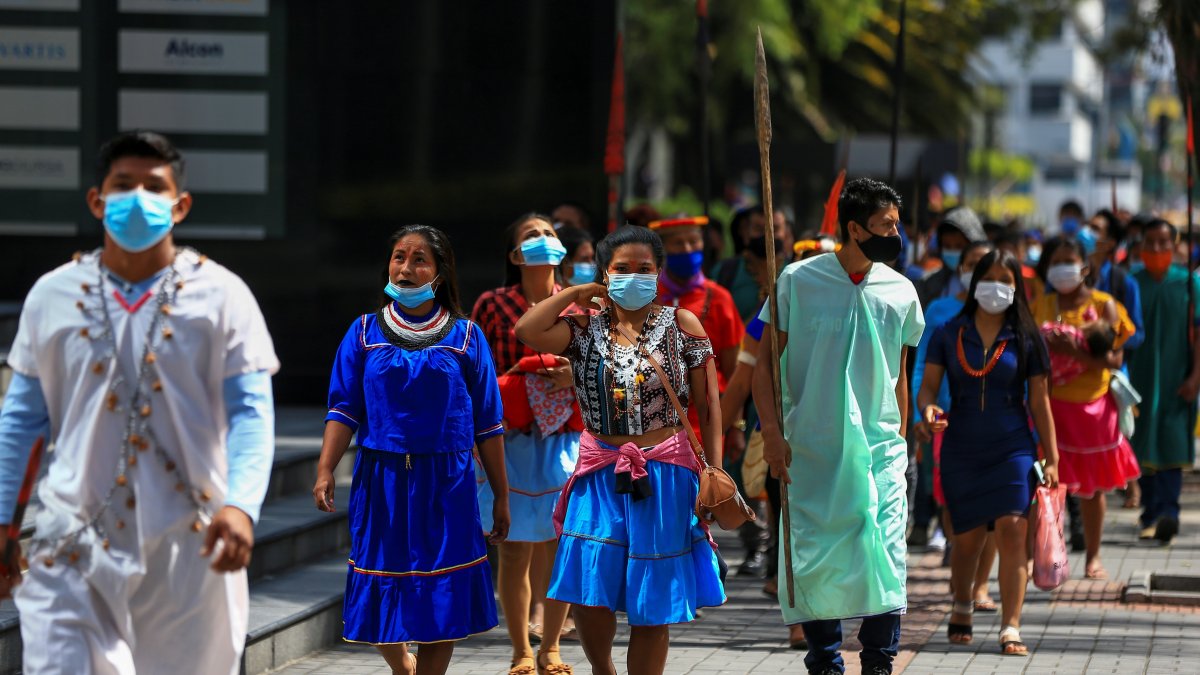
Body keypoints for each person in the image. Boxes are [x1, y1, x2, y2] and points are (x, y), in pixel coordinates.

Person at [0, 131, 279, 674]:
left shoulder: (224, 295)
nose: (137, 199)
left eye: (154, 187)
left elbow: (251, 411)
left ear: (180, 205)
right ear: (96, 200)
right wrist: (5, 522)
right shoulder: (52, 295)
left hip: (191, 545)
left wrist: (241, 505)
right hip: (72, 542)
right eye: (123, 185)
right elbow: (22, 422)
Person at [514, 225, 725, 675]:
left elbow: (709, 406)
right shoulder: (582, 328)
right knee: (589, 590)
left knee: (655, 600)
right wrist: (576, 292)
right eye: (622, 268)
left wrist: (716, 474)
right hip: (599, 473)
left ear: (659, 272)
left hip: (666, 473)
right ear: (605, 275)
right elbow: (527, 329)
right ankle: (603, 669)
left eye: (644, 268)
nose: (634, 277)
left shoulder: (683, 324)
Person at [314, 224, 509, 674]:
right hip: (381, 480)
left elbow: (489, 423)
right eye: (399, 257)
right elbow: (343, 409)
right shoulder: (363, 333)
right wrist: (325, 469)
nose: (406, 268)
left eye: (419, 259)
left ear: (440, 273)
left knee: (442, 596)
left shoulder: (467, 336)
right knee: (380, 580)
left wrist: (501, 493)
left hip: (448, 482)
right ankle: (403, 665)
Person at [754, 178, 925, 675]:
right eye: (886, 225)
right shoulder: (797, 281)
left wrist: (902, 440)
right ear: (854, 228)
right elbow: (765, 366)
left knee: (885, 555)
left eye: (897, 224)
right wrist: (772, 434)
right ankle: (825, 662)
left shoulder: (902, 291)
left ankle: (879, 662)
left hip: (881, 450)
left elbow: (900, 375)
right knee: (815, 556)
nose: (896, 235)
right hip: (812, 448)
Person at [918, 249, 1060, 656]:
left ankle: (1011, 626)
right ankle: (962, 603)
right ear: (974, 283)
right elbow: (928, 389)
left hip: (1013, 446)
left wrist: (1052, 458)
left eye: (1006, 280)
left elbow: (1040, 402)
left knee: (1014, 529)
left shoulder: (1027, 338)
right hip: (961, 446)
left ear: (1017, 288)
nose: (996, 287)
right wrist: (928, 410)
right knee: (967, 540)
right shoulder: (948, 333)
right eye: (989, 278)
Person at [471, 214, 582, 675]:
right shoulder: (493, 303)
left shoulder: (578, 304)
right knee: (514, 547)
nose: (543, 240)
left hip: (564, 438)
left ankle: (551, 646)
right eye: (532, 235)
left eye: (549, 234)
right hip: (508, 437)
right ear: (515, 255)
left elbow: (603, 366)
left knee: (558, 541)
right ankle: (520, 650)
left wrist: (574, 375)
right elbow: (474, 370)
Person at [648, 215, 755, 572]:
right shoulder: (645, 296)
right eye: (678, 243)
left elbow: (734, 371)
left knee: (696, 507)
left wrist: (735, 426)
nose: (688, 249)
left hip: (702, 426)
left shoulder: (719, 298)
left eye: (693, 242)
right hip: (653, 425)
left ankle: (698, 575)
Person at [1032, 237, 1139, 579]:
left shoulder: (1105, 305)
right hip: (1051, 409)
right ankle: (1046, 556)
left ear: (1084, 267)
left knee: (1093, 491)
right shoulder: (1040, 305)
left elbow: (1114, 360)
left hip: (1095, 410)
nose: (1062, 268)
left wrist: (1072, 351)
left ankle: (1093, 557)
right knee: (1047, 487)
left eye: (1069, 261)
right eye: (1055, 262)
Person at [911, 242, 997, 598]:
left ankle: (980, 584)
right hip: (947, 421)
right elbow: (921, 365)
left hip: (995, 424)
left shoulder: (1007, 313)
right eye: (971, 264)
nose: (977, 272)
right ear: (961, 268)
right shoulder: (939, 310)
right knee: (950, 500)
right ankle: (960, 558)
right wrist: (921, 411)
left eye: (985, 265)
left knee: (992, 506)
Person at [1128, 219, 1200, 544]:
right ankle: (1150, 514)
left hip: (1177, 377)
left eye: (1163, 242)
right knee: (1142, 442)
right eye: (1150, 242)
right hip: (1138, 378)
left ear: (1175, 245)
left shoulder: (1189, 284)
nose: (1156, 249)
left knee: (1172, 442)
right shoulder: (1132, 282)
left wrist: (1196, 376)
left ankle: (1169, 512)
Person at [713, 206, 795, 322]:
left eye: (775, 229)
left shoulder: (795, 272)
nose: (767, 235)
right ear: (745, 233)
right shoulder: (725, 272)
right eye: (759, 229)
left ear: (785, 233)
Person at [917, 206, 988, 307]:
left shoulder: (991, 283)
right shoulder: (928, 283)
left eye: (959, 246)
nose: (953, 251)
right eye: (947, 246)